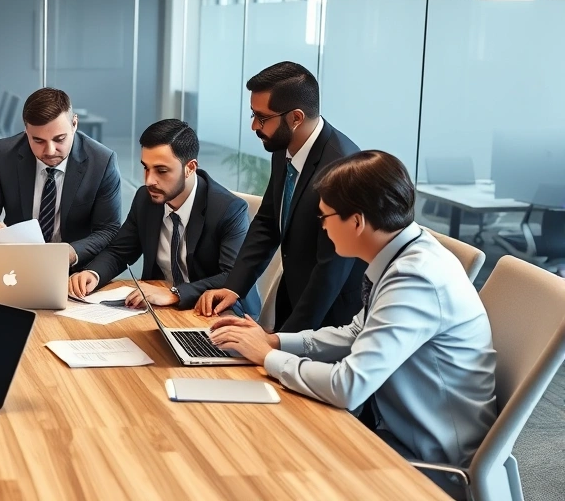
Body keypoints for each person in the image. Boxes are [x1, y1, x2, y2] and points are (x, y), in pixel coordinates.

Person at [209, 150, 496, 498]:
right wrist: (275, 343)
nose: (323, 226)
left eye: (325, 216)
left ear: (357, 222)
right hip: (389, 433)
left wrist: (268, 360)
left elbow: (349, 386)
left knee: (263, 467)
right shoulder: (404, 253)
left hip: (425, 466)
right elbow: (356, 332)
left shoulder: (415, 278)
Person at [196, 61, 365, 331]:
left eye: (262, 118)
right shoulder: (284, 146)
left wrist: (278, 342)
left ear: (295, 118)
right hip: (294, 298)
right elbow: (267, 223)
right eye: (253, 114)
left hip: (330, 318)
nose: (254, 126)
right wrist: (234, 288)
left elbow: (329, 272)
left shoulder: (341, 168)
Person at [69, 119, 249, 309]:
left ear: (190, 168)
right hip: (159, 308)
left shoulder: (228, 209)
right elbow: (119, 252)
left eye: (161, 171)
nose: (149, 180)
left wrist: (176, 293)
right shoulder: (145, 200)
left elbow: (232, 276)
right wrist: (93, 274)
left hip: (218, 311)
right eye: (146, 168)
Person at [0, 87, 121, 268]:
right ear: (26, 131)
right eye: (38, 140)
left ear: (74, 124)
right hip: (15, 265)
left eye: (59, 139)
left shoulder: (102, 162)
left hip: (74, 269)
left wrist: (71, 253)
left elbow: (108, 229)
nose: (49, 151)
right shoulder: (4, 154)